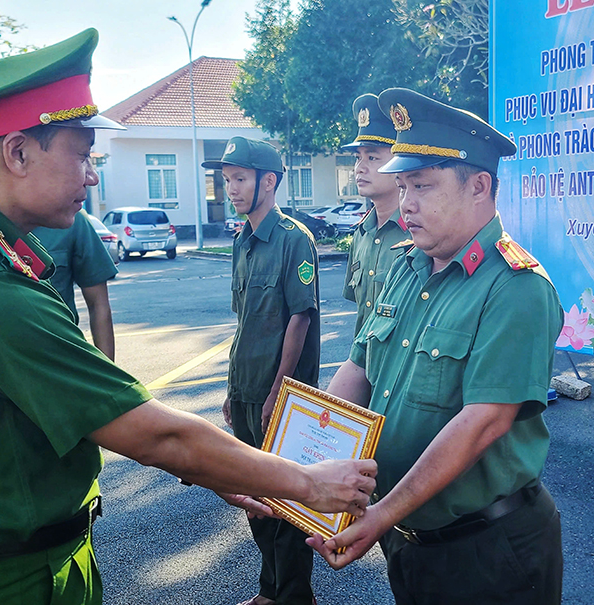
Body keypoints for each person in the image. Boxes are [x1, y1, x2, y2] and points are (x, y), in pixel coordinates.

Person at [0, 30, 378, 605]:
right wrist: (307, 483)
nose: (91, 175)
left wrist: (221, 470)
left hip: (22, 562)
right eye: (81, 155)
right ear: (17, 153)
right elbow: (152, 432)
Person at [307, 88, 564, 605]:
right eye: (402, 187)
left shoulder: (516, 288)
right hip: (410, 542)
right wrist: (296, 469)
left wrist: (381, 515)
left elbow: (482, 423)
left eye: (422, 186)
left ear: (480, 187)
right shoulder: (406, 266)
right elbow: (358, 370)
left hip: (490, 552)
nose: (407, 204)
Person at [203, 137, 321, 605]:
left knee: (286, 503)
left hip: (282, 398)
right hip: (248, 390)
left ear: (268, 182)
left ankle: (293, 596)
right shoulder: (241, 241)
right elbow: (244, 323)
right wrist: (236, 390)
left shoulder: (295, 239)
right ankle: (270, 591)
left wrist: (279, 393)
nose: (230, 188)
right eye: (226, 179)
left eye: (239, 179)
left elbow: (299, 320)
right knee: (256, 500)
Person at [341, 93, 409, 335]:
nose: (360, 167)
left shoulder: (419, 232)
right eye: (358, 158)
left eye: (372, 157)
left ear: (400, 162)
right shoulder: (361, 235)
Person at [34, 210, 117, 359]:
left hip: (61, 359)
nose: (90, 185)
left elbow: (98, 304)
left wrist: (109, 374)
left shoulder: (72, 218)